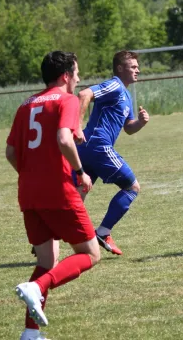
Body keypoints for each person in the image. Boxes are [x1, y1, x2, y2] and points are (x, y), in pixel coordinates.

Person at [6, 51, 101, 340]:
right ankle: (36, 288)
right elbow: (62, 138)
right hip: (58, 191)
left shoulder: (26, 104)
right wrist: (81, 171)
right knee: (90, 254)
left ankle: (30, 335)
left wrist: (32, 172)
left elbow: (10, 152)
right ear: (65, 76)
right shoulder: (67, 100)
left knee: (45, 262)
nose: (79, 78)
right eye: (77, 73)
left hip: (28, 193)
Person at [74, 50, 149, 256]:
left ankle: (47, 238)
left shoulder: (125, 94)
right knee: (132, 187)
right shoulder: (115, 84)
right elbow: (84, 94)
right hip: (98, 146)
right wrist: (77, 126)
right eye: (133, 67)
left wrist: (140, 123)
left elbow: (128, 128)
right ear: (120, 68)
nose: (138, 70)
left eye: (137, 67)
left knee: (76, 196)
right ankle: (103, 232)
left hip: (86, 149)